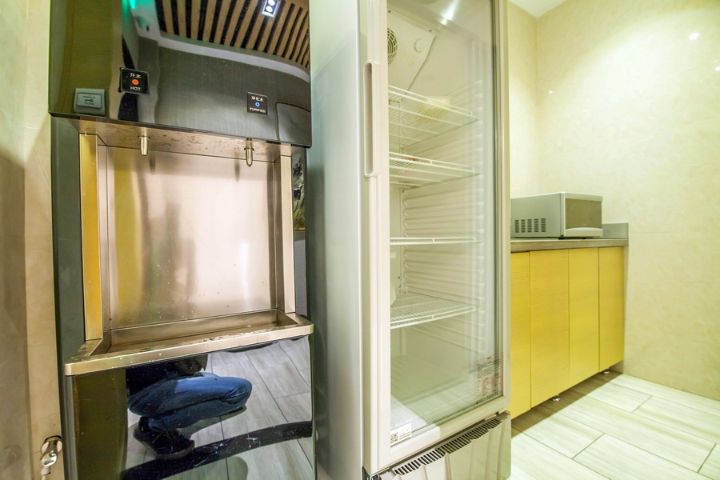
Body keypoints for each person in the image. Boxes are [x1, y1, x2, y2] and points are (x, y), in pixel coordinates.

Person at [126, 355, 252, 460]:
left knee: (214, 379)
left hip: (166, 378)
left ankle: (163, 416)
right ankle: (152, 426)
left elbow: (192, 365)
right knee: (240, 390)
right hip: (145, 392)